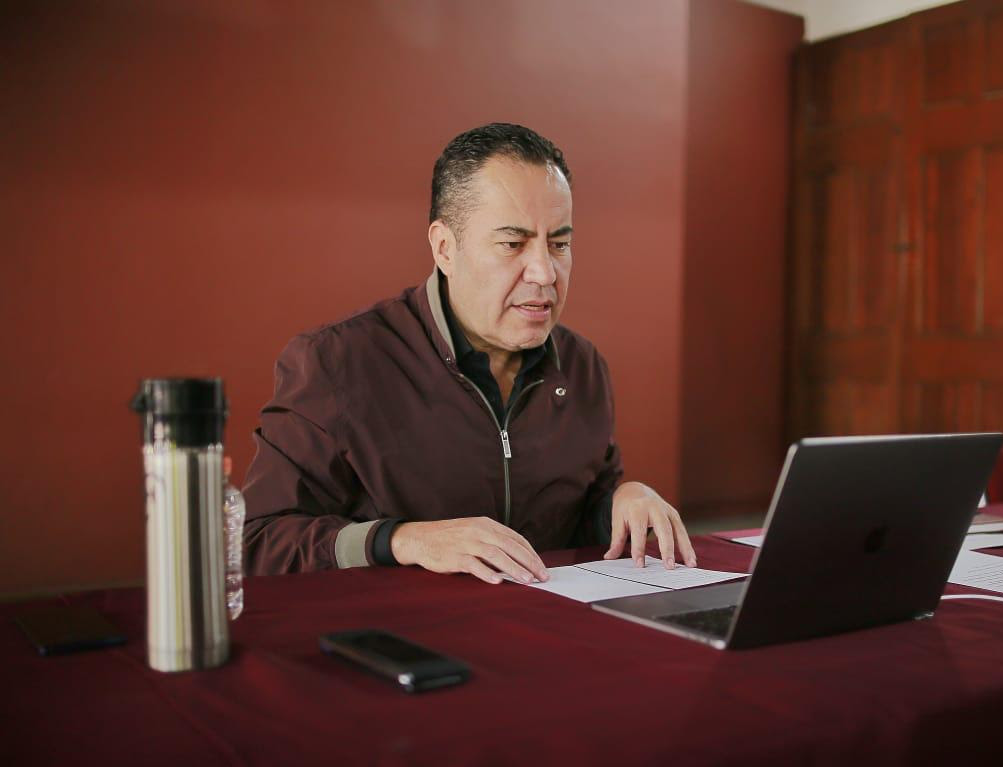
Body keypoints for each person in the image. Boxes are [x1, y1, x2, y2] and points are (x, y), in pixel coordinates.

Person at [242, 123, 695, 584]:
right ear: (445, 248)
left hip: (543, 624)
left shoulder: (583, 366)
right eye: (512, 244)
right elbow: (257, 541)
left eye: (559, 244)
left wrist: (622, 502)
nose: (544, 273)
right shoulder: (336, 363)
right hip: (405, 626)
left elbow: (578, 523)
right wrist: (403, 540)